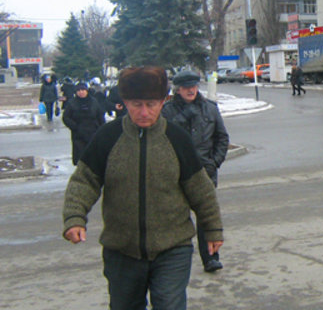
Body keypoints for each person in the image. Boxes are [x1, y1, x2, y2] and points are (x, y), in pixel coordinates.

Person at [62, 66, 224, 310]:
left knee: (169, 305)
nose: (144, 112)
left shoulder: (177, 139)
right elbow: (85, 180)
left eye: (151, 104)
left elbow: (201, 190)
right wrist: (75, 217)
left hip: (173, 248)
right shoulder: (108, 137)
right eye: (136, 104)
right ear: (125, 102)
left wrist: (213, 229)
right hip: (121, 250)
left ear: (163, 101)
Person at [162, 70, 230, 273]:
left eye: (193, 86)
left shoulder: (210, 109)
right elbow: (162, 141)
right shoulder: (167, 112)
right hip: (177, 174)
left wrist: (214, 162)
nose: (191, 90)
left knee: (206, 217)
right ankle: (175, 261)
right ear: (178, 89)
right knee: (176, 218)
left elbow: (222, 138)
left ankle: (210, 258)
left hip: (204, 172)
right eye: (186, 87)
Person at [62, 82, 105, 165]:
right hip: (79, 134)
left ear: (87, 91)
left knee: (93, 156)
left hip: (93, 132)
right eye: (78, 90)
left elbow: (100, 115)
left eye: (83, 90)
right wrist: (74, 127)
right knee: (81, 157)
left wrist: (101, 129)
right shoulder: (72, 103)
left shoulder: (93, 102)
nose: (81, 92)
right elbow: (66, 117)